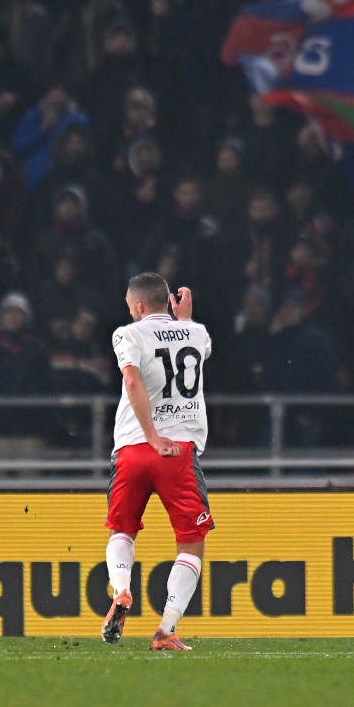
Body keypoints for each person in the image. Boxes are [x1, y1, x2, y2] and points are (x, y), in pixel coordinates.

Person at [103, 273, 211, 651]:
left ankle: (121, 590)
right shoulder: (197, 332)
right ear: (168, 302)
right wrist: (184, 320)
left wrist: (149, 436)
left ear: (137, 306)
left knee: (121, 531)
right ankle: (165, 630)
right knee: (191, 544)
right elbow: (189, 348)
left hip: (133, 449)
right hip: (178, 452)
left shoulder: (127, 334)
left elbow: (132, 381)